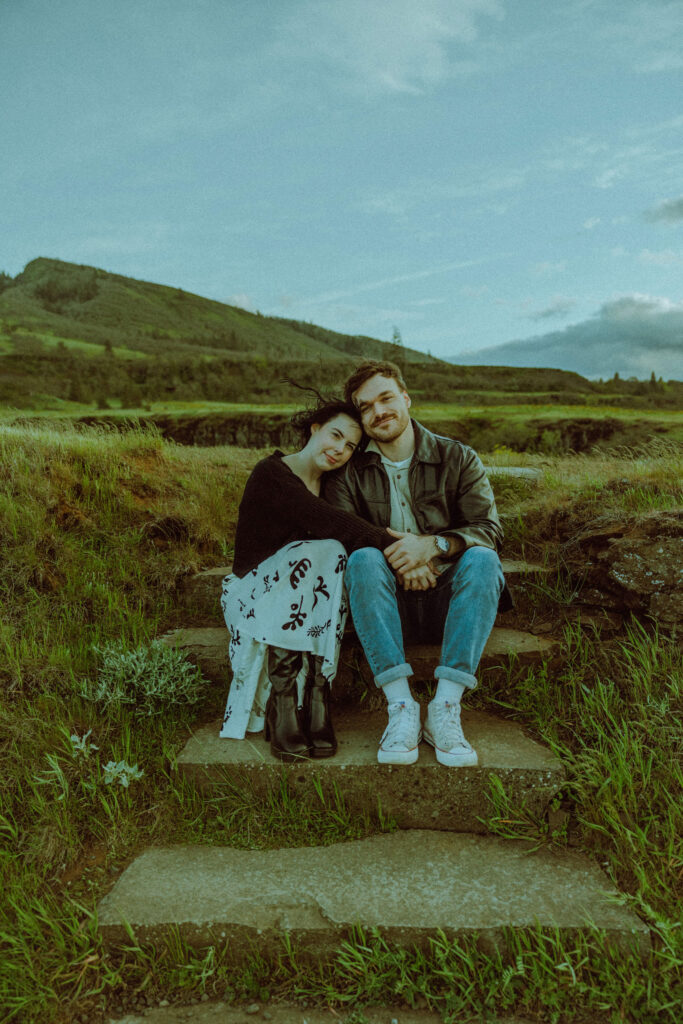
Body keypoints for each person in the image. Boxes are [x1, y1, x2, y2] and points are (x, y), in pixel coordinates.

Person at [324, 360, 511, 767]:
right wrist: (405, 560)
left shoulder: (458, 457)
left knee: (482, 558)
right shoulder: (348, 472)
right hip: (384, 603)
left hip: (450, 602)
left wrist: (434, 546)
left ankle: (444, 708)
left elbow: (489, 529)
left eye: (386, 398)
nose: (379, 412)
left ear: (406, 398)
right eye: (366, 406)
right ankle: (402, 707)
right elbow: (343, 531)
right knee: (362, 558)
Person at [219, 396, 394, 762]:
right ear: (314, 429)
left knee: (330, 554)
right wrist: (401, 548)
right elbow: (328, 522)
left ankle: (317, 695)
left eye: (349, 446)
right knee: (324, 548)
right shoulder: (273, 474)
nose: (340, 450)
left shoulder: (332, 485)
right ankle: (283, 701)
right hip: (254, 594)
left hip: (303, 603)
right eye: (335, 436)